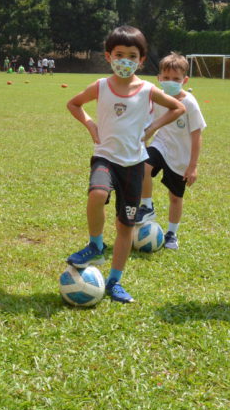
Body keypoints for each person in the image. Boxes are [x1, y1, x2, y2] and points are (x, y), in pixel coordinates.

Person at [64, 25, 185, 303]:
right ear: (108, 56)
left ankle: (115, 282)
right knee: (97, 194)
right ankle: (95, 244)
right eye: (119, 55)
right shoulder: (101, 86)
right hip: (105, 157)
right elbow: (74, 104)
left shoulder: (147, 89)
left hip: (133, 164)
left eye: (132, 56)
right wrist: (90, 123)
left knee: (125, 226)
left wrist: (152, 127)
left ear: (141, 60)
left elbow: (179, 107)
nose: (125, 61)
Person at [138, 52, 206, 250]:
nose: (170, 82)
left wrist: (193, 166)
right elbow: (150, 123)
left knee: (175, 197)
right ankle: (147, 206)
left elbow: (196, 134)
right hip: (161, 145)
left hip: (181, 156)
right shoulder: (157, 98)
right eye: (166, 78)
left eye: (176, 79)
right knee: (144, 166)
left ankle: (171, 234)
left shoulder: (190, 102)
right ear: (159, 78)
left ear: (185, 80)